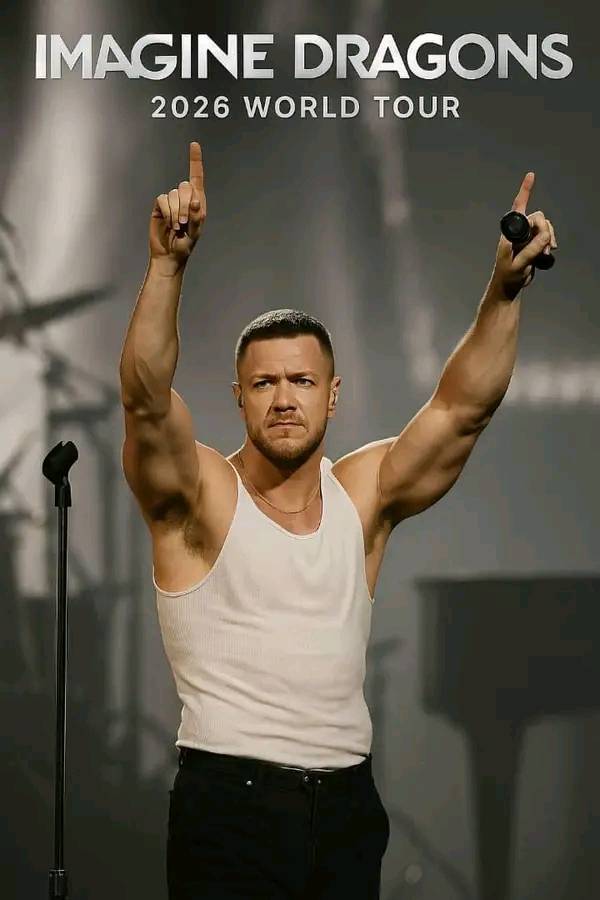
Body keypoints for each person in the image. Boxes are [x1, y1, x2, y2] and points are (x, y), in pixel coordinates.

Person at [119, 141, 557, 899]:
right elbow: (146, 402)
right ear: (238, 396)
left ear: (333, 394)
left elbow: (462, 408)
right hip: (231, 808)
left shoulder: (362, 496)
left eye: (301, 380)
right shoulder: (202, 499)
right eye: (264, 383)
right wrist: (166, 269)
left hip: (348, 808)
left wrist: (504, 291)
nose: (284, 398)